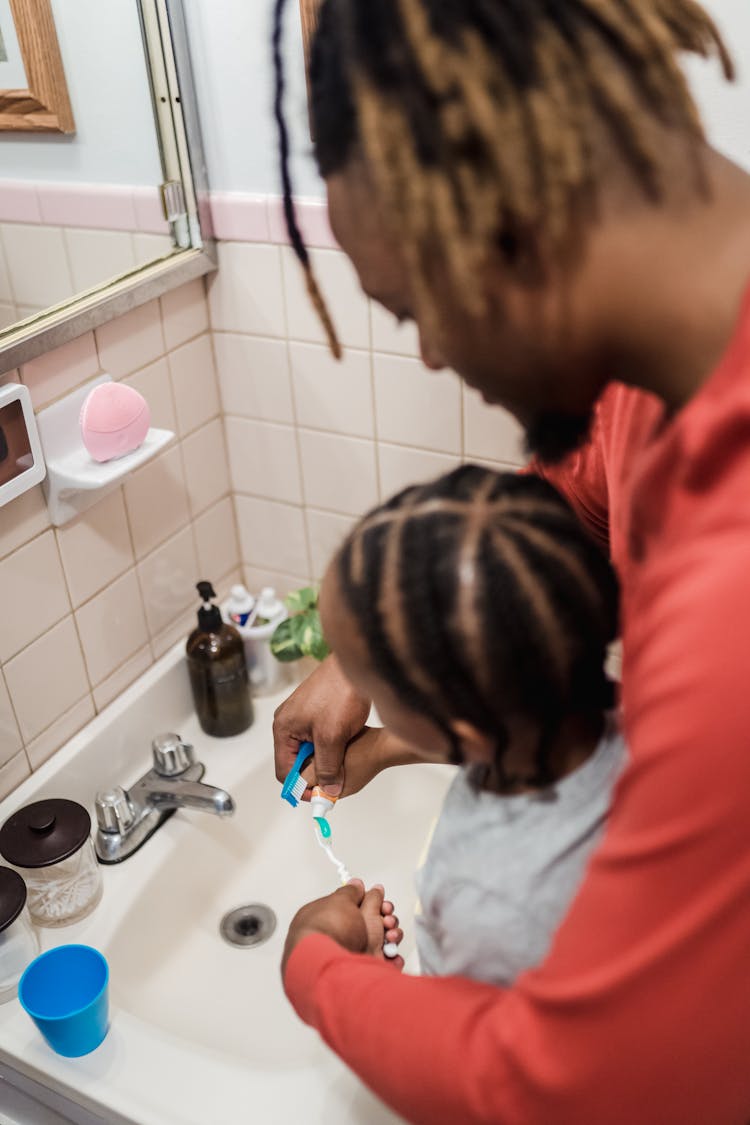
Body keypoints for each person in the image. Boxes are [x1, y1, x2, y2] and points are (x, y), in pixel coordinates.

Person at [272, 2, 750, 1122]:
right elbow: (583, 499)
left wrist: (314, 971)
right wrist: (379, 648)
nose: (436, 351)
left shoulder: (733, 595)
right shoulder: (663, 375)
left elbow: (554, 1082)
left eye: (412, 306)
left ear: (498, 187)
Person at [320, 465, 625, 985]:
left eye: (372, 690)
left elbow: (464, 1057)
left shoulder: (493, 911)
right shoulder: (616, 722)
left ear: (462, 726)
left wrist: (347, 973)